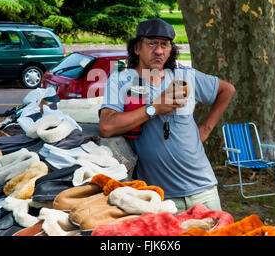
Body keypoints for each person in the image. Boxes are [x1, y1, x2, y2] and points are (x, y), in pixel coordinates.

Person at [98, 18, 235, 213]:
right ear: (137, 48)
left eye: (165, 44)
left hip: (204, 191)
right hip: (158, 197)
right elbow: (106, 126)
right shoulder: (120, 81)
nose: (159, 51)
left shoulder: (185, 77)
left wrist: (205, 130)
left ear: (171, 50)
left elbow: (227, 90)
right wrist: (154, 108)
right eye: (152, 44)